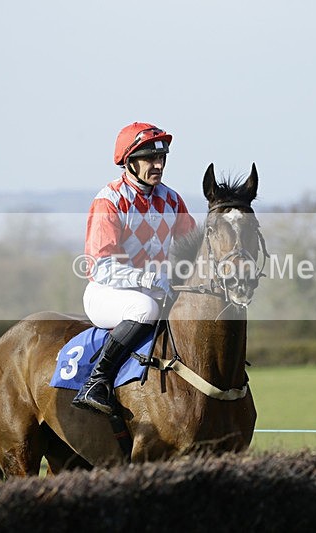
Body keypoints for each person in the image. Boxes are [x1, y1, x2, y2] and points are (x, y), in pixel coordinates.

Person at [72, 122, 196, 415]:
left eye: (161, 158)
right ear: (129, 162)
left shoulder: (171, 199)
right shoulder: (110, 200)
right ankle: (96, 381)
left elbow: (191, 249)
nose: (158, 165)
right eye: (150, 159)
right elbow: (99, 267)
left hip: (157, 290)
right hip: (108, 293)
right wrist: (149, 278)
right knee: (145, 309)